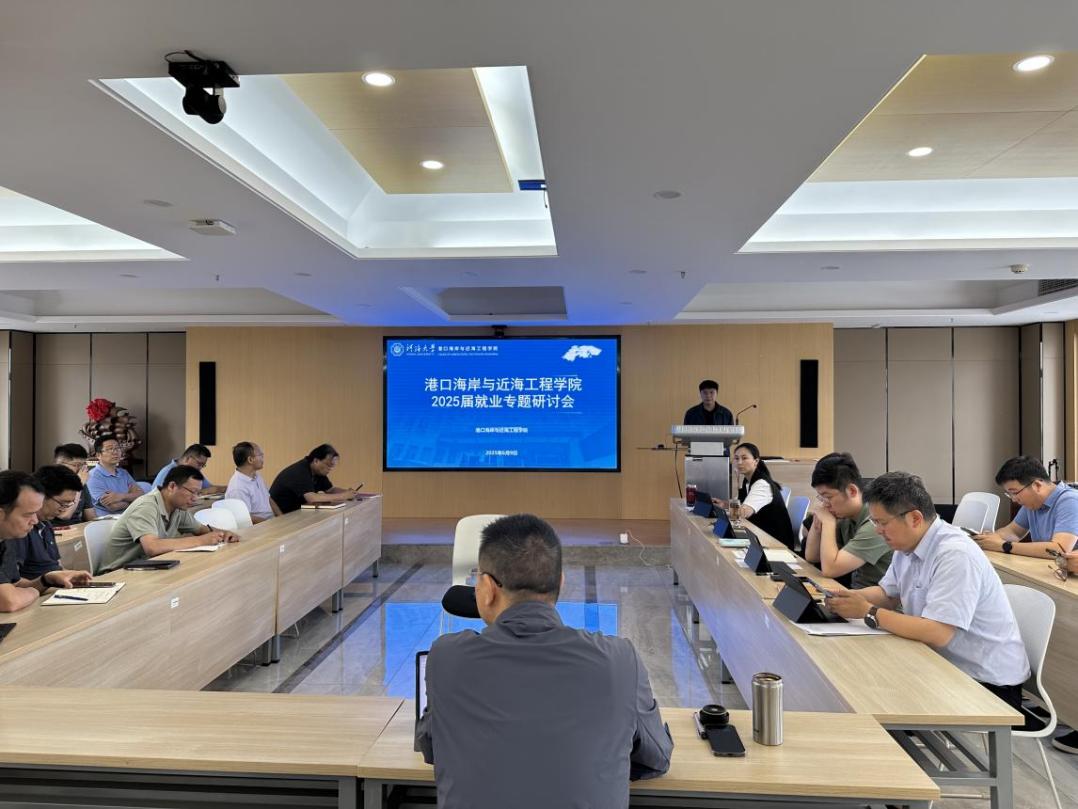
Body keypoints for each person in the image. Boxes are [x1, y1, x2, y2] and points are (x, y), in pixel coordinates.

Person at [415, 514, 672, 809]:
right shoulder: (619, 661)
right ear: (560, 582)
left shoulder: (447, 658)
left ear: (486, 588)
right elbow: (656, 757)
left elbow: (430, 746)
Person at [826, 472, 1030, 710]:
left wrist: (868, 612)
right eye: (874, 522)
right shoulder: (906, 545)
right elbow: (888, 595)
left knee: (868, 697)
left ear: (914, 518)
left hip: (986, 684)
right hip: (941, 663)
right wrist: (848, 599)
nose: (878, 530)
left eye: (882, 523)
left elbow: (938, 632)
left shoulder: (955, 554)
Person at [95, 466, 239, 573]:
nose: (195, 498)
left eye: (198, 493)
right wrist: (202, 541)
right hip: (118, 573)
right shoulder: (146, 506)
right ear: (172, 486)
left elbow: (202, 530)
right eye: (192, 492)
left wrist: (223, 534)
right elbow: (152, 547)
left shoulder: (178, 507)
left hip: (149, 568)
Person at [0, 471, 91, 613]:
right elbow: (10, 601)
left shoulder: (5, 540)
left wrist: (46, 580)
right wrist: (33, 592)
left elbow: (14, 585)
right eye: (28, 514)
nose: (35, 520)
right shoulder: (12, 537)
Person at [804, 452, 893, 589]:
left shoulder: (875, 524)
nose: (825, 504)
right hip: (856, 594)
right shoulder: (847, 517)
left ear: (852, 491)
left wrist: (828, 523)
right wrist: (819, 517)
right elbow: (812, 556)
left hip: (876, 599)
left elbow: (830, 569)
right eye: (821, 498)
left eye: (828, 497)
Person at [973, 456, 1078, 559]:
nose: (1013, 499)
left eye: (1014, 492)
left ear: (1037, 485)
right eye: (1009, 494)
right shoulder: (1033, 503)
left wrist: (1004, 546)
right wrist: (987, 539)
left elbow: (1059, 550)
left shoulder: (1070, 500)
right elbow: (1014, 532)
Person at [10, 465, 90, 581]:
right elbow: (13, 582)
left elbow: (57, 567)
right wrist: (47, 582)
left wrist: (72, 576)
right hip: (39, 590)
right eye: (63, 503)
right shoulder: (19, 530)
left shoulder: (46, 524)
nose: (64, 509)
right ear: (43, 495)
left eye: (69, 504)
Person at [729, 443, 796, 549]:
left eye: (744, 458)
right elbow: (739, 505)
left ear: (756, 461)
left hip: (775, 544)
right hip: (760, 537)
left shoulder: (761, 484)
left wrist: (731, 508)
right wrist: (723, 504)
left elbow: (742, 513)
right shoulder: (748, 480)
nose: (739, 462)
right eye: (736, 458)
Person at [269, 444, 361, 514]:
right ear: (316, 461)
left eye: (332, 466)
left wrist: (349, 492)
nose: (330, 469)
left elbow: (330, 490)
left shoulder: (318, 471)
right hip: (281, 514)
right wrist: (343, 496)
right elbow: (312, 498)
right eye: (328, 465)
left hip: (296, 512)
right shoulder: (300, 471)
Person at [225, 441, 280, 523]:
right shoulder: (238, 488)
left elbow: (268, 498)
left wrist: (281, 517)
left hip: (270, 522)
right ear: (250, 460)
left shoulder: (256, 475)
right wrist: (271, 524)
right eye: (260, 455)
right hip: (259, 526)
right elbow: (246, 518)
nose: (263, 458)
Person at [86, 435, 143, 514]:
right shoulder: (93, 476)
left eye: (117, 448)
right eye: (110, 449)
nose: (115, 452)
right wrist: (132, 498)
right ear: (98, 455)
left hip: (128, 516)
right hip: (107, 519)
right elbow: (113, 506)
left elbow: (141, 495)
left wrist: (121, 496)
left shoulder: (124, 473)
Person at [152, 444, 227, 494]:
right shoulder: (167, 472)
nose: (200, 468)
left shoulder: (194, 471)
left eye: (203, 465)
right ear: (187, 459)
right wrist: (200, 491)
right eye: (199, 464)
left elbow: (210, 488)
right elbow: (161, 497)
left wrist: (228, 488)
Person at [52, 443, 97, 526]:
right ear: (59, 464)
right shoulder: (50, 483)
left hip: (77, 529)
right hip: (57, 530)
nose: (81, 469)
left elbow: (91, 517)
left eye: (83, 465)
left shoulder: (81, 484)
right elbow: (64, 516)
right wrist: (79, 484)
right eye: (77, 465)